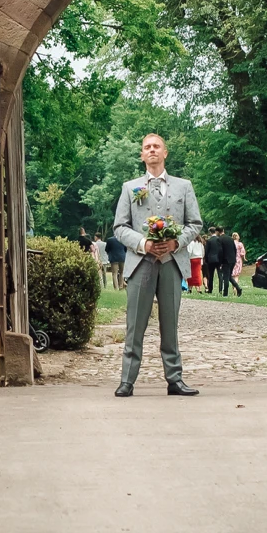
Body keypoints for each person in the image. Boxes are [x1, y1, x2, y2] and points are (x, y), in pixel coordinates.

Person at [111, 134, 203, 397]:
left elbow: (195, 223)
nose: (151, 150)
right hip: (141, 262)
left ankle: (175, 380)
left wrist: (176, 243)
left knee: (169, 323)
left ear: (165, 153)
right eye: (146, 147)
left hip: (172, 262)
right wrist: (144, 243)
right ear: (142, 155)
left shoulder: (184, 186)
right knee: (135, 323)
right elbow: (119, 227)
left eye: (156, 147)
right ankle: (127, 380)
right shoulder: (130, 188)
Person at [229, 231, 247, 297]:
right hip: (238, 260)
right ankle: (236, 288)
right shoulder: (240, 244)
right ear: (237, 237)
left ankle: (233, 289)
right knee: (236, 275)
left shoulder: (230, 243)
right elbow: (242, 253)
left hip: (231, 260)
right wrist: (244, 258)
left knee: (232, 275)